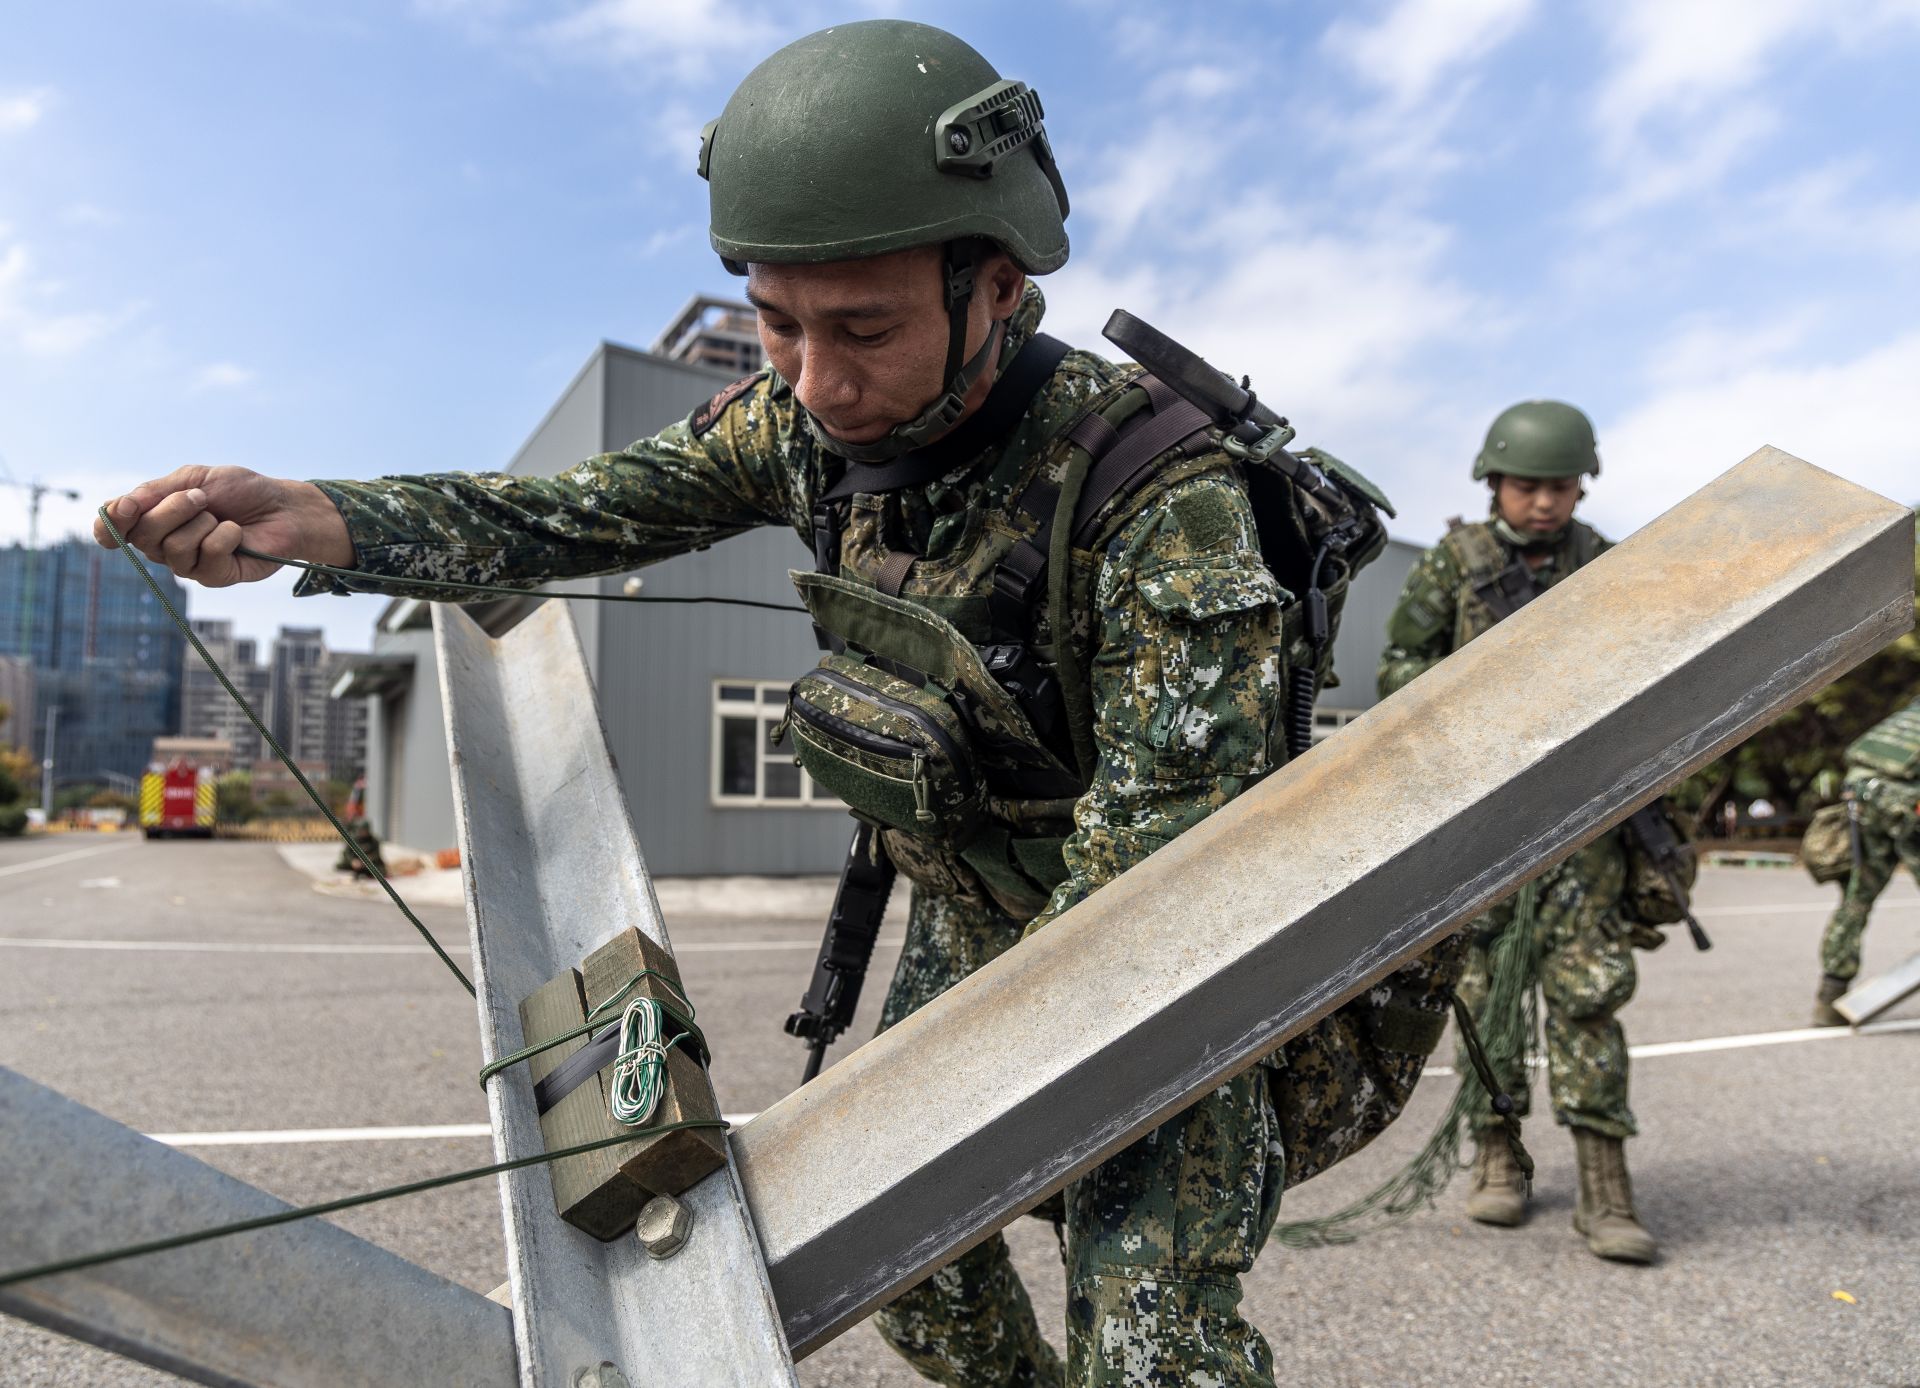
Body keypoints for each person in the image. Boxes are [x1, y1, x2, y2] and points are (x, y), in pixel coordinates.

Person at [96, 21, 1465, 1385]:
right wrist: (323, 522)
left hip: (1161, 952)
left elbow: (1147, 899)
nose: (813, 381)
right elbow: (563, 516)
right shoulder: (802, 423)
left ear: (993, 287)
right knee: (917, 1284)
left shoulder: (1161, 503)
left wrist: (969, 1102)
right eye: (776, 323)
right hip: (979, 912)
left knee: (1155, 1352)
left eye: (862, 328)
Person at [1378, 401, 1662, 1265]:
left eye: (1561, 486)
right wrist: (1468, 712)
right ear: (1493, 482)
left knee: (1588, 996)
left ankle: (1606, 1188)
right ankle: (1499, 1161)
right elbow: (1399, 668)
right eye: (1528, 485)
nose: (1544, 502)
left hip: (1584, 825)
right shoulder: (1452, 568)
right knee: (1491, 992)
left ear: (1584, 486)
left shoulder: (1609, 566)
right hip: (1486, 824)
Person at [1813, 696, 1920, 1025]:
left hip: (1861, 797)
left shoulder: (1910, 713)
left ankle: (1829, 999)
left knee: (1857, 897)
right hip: (1904, 802)